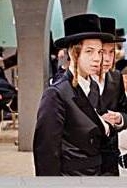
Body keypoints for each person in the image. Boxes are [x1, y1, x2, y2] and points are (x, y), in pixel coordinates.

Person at [32, 14, 116, 176]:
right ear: (72, 53)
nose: (97, 59)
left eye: (99, 52)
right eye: (89, 52)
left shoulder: (93, 87)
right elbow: (46, 151)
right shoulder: (56, 94)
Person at [97, 17, 127, 175]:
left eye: (112, 52)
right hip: (85, 160)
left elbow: (125, 113)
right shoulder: (76, 82)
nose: (108, 58)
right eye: (103, 52)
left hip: (110, 157)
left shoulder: (116, 78)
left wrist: (119, 118)